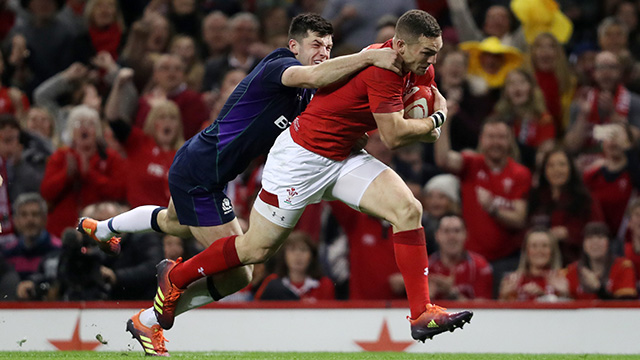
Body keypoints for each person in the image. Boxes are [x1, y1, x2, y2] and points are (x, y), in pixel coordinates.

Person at [138, 9, 472, 345]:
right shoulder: (381, 70)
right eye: (428, 52)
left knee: (408, 210)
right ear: (401, 45)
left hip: (343, 156)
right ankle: (176, 275)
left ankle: (421, 313)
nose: (433, 60)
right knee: (255, 250)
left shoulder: (419, 65)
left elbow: (428, 98)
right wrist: (435, 121)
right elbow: (395, 136)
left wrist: (435, 114)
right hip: (301, 159)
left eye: (436, 52)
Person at [79, 13, 402, 356]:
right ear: (294, 46)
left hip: (203, 168)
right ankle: (149, 320)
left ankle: (101, 228)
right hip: (202, 173)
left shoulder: (307, 97)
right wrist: (369, 56)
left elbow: (330, 125)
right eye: (316, 45)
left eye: (329, 47)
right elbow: (316, 74)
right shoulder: (280, 65)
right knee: (240, 272)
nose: (324, 52)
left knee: (174, 223)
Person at [434, 116, 531, 296]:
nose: (496, 142)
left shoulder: (520, 174)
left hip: (507, 260)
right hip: (472, 260)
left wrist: (493, 208)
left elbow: (519, 219)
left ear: (510, 140)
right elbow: (443, 160)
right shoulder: (471, 165)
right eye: (491, 137)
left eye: (501, 137)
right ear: (482, 140)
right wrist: (444, 122)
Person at [528, 146, 604, 265]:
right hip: (539, 262)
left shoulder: (585, 198)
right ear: (544, 170)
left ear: (570, 168)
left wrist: (568, 234)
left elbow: (598, 232)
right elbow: (525, 230)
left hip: (576, 262)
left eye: (562, 164)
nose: (557, 170)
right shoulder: (536, 197)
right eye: (551, 165)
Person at [565, 222, 637, 300]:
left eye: (600, 237)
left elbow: (627, 305)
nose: (595, 242)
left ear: (609, 243)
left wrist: (599, 288)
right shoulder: (571, 270)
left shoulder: (623, 267)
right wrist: (564, 293)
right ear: (583, 245)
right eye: (589, 238)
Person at [254, 231, 334, 301]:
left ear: (312, 256)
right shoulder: (271, 281)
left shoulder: (324, 284)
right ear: (284, 255)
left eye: (303, 249)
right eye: (292, 250)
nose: (298, 255)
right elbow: (258, 307)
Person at [429, 213, 493, 300]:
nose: (452, 237)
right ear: (437, 236)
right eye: (446, 231)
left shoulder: (479, 266)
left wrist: (451, 293)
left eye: (457, 231)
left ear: (466, 235)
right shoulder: (426, 267)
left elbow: (484, 309)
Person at [498, 227, 569, 301]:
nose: (539, 251)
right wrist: (504, 296)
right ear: (526, 251)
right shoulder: (512, 280)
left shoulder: (563, 278)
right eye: (534, 246)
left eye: (545, 246)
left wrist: (564, 294)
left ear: (552, 251)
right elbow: (501, 310)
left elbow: (575, 309)